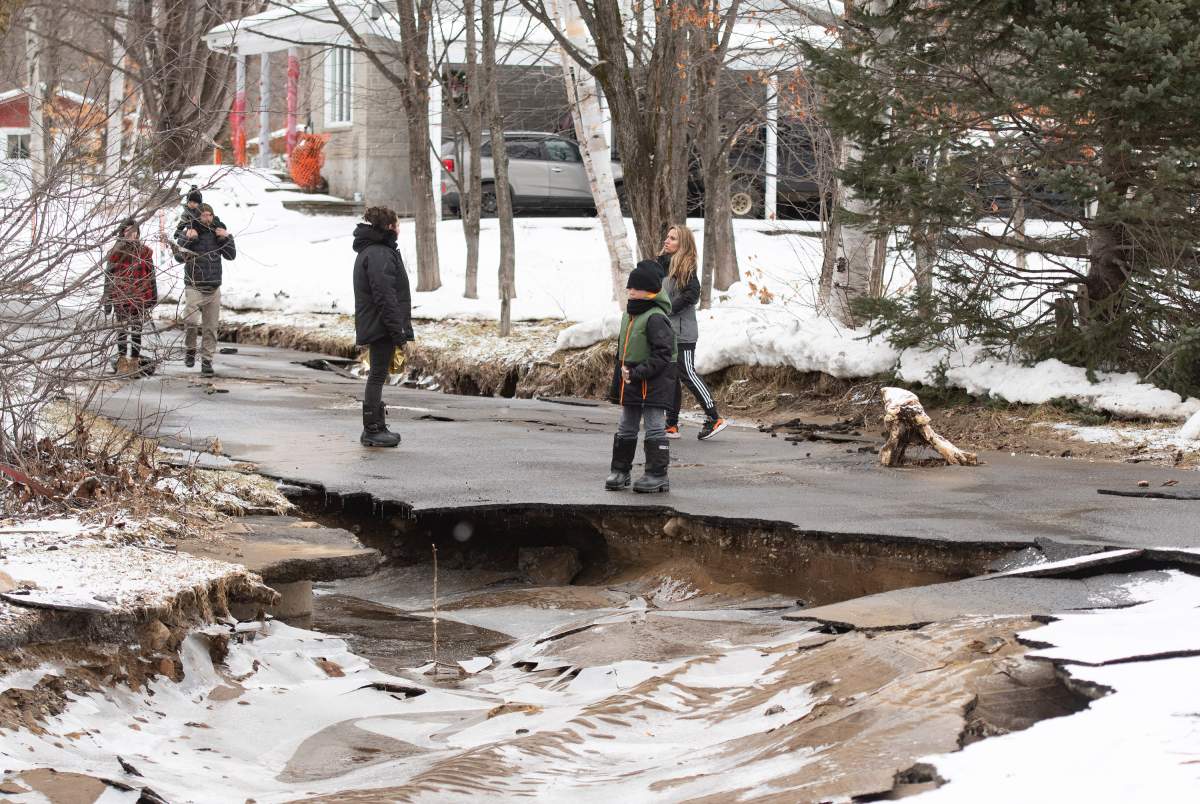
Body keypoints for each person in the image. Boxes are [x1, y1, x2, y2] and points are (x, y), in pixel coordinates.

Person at [605, 260, 677, 493]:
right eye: (630, 287)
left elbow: (663, 354)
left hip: (652, 381)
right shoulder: (630, 314)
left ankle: (657, 474)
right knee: (626, 426)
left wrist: (638, 373)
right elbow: (622, 352)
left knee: (655, 426)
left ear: (651, 292)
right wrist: (621, 381)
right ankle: (620, 470)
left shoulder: (655, 317)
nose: (631, 291)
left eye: (636, 288)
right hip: (632, 382)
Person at [657, 224, 727, 441]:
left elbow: (692, 294)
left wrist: (668, 309)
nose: (667, 241)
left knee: (687, 373)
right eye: (667, 237)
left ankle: (714, 417)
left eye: (673, 238)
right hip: (667, 331)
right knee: (671, 378)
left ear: (683, 244)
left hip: (682, 333)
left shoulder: (686, 266)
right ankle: (671, 425)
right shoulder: (662, 264)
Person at [352, 206, 414, 448]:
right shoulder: (379, 253)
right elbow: (386, 296)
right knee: (377, 375)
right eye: (397, 224)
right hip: (380, 324)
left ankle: (376, 426)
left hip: (378, 322)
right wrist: (399, 334)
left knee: (378, 374)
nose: (399, 229)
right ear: (389, 227)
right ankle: (372, 429)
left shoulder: (376, 250)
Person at [176, 203, 235, 378]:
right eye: (204, 215)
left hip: (213, 286)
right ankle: (190, 349)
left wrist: (227, 238)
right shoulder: (189, 231)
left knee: (211, 327)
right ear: (198, 217)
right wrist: (188, 239)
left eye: (210, 215)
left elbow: (231, 256)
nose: (207, 218)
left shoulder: (218, 232)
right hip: (194, 285)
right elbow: (179, 256)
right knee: (191, 321)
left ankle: (207, 361)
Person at [102, 218, 158, 377]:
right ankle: (121, 361)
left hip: (140, 298)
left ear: (138, 233)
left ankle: (133, 361)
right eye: (127, 231)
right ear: (122, 233)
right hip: (121, 298)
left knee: (136, 331)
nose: (131, 234)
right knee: (121, 330)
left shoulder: (145, 252)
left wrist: (153, 296)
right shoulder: (115, 253)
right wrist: (107, 300)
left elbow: (151, 275)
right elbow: (109, 277)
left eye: (134, 231)